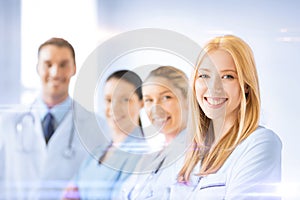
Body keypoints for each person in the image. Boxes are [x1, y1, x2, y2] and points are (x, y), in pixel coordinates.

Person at [172, 35, 282, 199]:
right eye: (204, 76)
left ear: (245, 86)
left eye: (227, 76)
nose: (214, 87)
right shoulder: (190, 152)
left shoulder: (260, 143)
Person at [0, 38, 108, 199]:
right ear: (37, 67)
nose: (55, 72)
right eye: (48, 64)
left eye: (63, 64)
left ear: (74, 68)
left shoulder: (97, 126)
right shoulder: (8, 123)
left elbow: (101, 185)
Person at [62, 70, 148, 200]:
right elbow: (69, 193)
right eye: (109, 100)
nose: (114, 108)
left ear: (142, 103)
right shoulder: (98, 152)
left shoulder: (142, 157)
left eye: (124, 100)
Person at [120, 66, 189, 200]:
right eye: (149, 100)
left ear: (187, 99)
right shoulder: (148, 159)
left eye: (166, 97)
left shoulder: (197, 155)